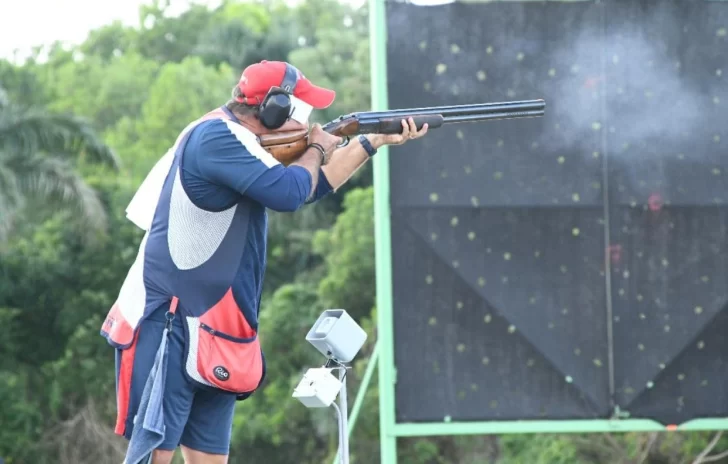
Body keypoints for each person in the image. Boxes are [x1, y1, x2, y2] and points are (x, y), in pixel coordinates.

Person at [99, 60, 428, 464]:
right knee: (153, 458)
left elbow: (311, 186)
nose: (303, 119)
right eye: (295, 108)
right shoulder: (215, 137)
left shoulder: (245, 144)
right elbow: (291, 193)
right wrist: (319, 148)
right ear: (271, 110)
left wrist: (371, 141)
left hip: (219, 333)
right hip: (169, 326)